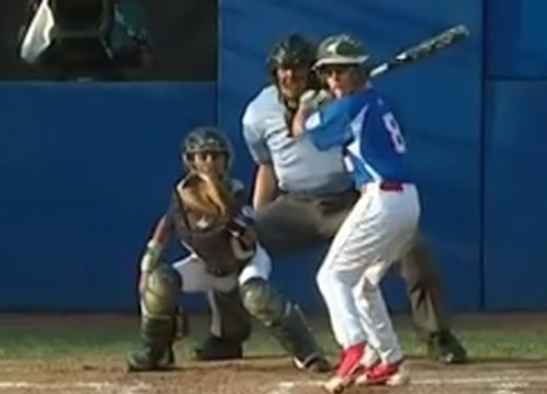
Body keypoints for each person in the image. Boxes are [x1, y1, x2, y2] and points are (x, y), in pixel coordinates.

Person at [194, 33, 468, 366]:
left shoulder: (342, 101)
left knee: (414, 249)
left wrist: (332, 105)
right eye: (282, 68)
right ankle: (228, 335)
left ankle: (438, 336)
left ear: (314, 72)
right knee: (229, 240)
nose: (289, 75)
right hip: (294, 205)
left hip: (349, 201)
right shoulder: (257, 113)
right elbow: (266, 166)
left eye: (297, 68)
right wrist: (259, 217)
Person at [126, 126, 328, 372]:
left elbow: (249, 239)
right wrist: (148, 263)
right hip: (206, 263)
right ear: (190, 161)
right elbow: (166, 225)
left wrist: (228, 218)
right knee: (159, 283)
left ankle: (309, 354)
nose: (209, 162)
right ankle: (155, 353)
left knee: (257, 296)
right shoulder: (182, 194)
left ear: (226, 160)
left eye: (215, 156)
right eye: (202, 156)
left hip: (244, 261)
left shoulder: (235, 191)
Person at [290, 33, 420, 392]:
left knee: (332, 277)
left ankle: (354, 347)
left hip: (383, 199)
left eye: (341, 73)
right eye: (328, 74)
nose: (333, 81)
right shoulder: (379, 100)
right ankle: (389, 358)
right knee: (364, 283)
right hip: (406, 202)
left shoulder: (349, 107)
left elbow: (302, 131)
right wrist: (331, 102)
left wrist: (305, 106)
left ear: (359, 71)